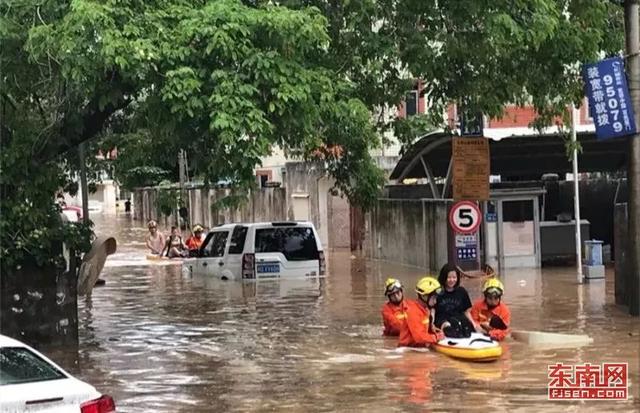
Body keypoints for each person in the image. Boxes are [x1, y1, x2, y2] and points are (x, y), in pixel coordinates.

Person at [396, 277, 444, 347]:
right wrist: (437, 337)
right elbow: (419, 337)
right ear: (424, 296)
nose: (435, 301)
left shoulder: (425, 309)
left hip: (417, 348)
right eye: (434, 298)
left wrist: (438, 331)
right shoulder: (413, 311)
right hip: (407, 350)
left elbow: (425, 330)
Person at [434, 264, 480, 338]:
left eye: (454, 277)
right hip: (442, 319)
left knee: (465, 324)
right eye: (449, 277)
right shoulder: (437, 292)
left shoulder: (462, 291)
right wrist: (431, 325)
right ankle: (448, 331)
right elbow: (432, 310)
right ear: (444, 277)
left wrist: (474, 324)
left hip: (458, 318)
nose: (452, 280)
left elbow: (466, 312)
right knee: (447, 324)